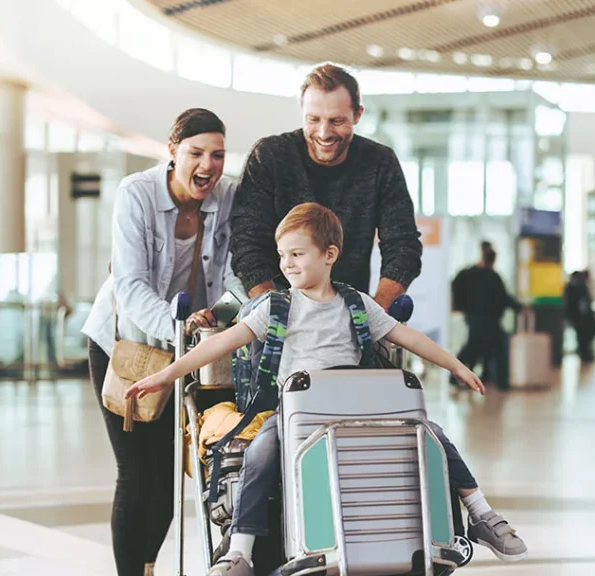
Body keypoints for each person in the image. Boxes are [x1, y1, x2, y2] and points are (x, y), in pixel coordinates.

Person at [127, 204, 529, 576]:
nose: (287, 263)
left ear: (329, 255)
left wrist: (455, 364)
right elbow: (222, 342)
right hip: (295, 412)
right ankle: (241, 551)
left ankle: (481, 513)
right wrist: (168, 374)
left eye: (298, 254)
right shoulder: (276, 307)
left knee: (434, 435)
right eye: (283, 254)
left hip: (354, 411)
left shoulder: (356, 305)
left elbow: (407, 337)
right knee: (261, 451)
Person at [81, 109, 245, 576]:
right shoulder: (136, 194)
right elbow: (129, 286)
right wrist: (181, 328)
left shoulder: (229, 196)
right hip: (125, 347)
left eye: (217, 155)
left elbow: (234, 276)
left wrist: (220, 318)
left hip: (188, 350)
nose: (208, 165)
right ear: (172, 152)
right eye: (196, 153)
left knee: (168, 484)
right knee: (137, 476)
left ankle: (149, 566)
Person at [230, 62, 421, 309]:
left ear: (358, 115)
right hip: (274, 316)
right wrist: (274, 313)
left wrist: (374, 316)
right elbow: (247, 243)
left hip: (350, 316)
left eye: (337, 121)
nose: (324, 132)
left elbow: (403, 245)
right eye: (313, 119)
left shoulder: (380, 163)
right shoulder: (269, 156)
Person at [451, 241, 523, 388]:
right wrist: (519, 307)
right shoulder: (487, 276)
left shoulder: (470, 274)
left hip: (477, 318)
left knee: (476, 347)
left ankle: (471, 377)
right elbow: (504, 298)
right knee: (483, 347)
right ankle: (500, 382)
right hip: (484, 319)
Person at [563, 270, 595, 363]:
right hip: (582, 319)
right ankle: (586, 357)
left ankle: (585, 356)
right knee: (584, 339)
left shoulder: (570, 287)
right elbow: (583, 305)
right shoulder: (580, 288)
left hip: (578, 319)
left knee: (582, 339)